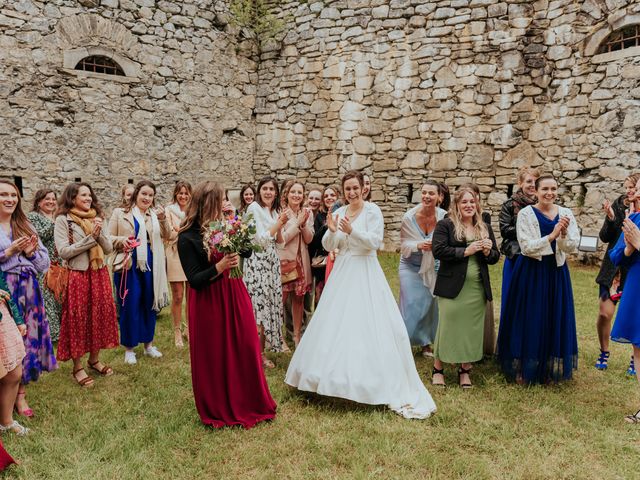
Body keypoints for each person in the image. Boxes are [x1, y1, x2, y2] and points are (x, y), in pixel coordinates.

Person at [285, 170, 436, 419]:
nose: (352, 192)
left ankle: (368, 381)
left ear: (363, 189)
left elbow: (375, 242)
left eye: (356, 188)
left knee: (365, 322)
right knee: (335, 323)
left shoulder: (372, 211)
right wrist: (333, 231)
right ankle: (328, 379)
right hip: (343, 269)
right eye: (348, 189)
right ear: (344, 191)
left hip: (365, 269)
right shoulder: (339, 212)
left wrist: (352, 231)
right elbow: (328, 246)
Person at [177, 181, 276, 428]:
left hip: (234, 293)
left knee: (246, 344)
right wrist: (219, 267)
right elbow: (195, 280)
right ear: (208, 203)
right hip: (208, 301)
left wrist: (235, 225)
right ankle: (218, 404)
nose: (225, 203)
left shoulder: (225, 225)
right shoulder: (187, 236)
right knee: (216, 353)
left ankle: (250, 399)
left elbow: (248, 253)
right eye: (220, 199)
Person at [497, 174, 580, 385]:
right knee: (530, 317)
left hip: (556, 272)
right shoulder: (526, 213)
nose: (549, 193)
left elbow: (572, 245)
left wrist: (562, 237)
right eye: (545, 189)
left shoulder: (566, 213)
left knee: (553, 316)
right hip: (532, 271)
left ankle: (547, 368)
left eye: (553, 189)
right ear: (537, 190)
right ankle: (524, 368)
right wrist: (551, 236)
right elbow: (526, 246)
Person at [431, 187, 500, 388]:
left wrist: (488, 252)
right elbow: (438, 250)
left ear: (477, 204)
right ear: (457, 205)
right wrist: (466, 251)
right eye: (464, 202)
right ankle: (438, 368)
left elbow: (495, 256)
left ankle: (464, 370)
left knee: (471, 329)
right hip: (451, 286)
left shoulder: (484, 226)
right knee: (447, 325)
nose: (469, 205)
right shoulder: (446, 225)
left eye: (472, 202)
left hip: (477, 287)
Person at [0, 180, 56, 417]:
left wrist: (32, 253)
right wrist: (7, 253)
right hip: (5, 290)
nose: (10, 199)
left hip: (30, 289)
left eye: (13, 195)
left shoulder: (25, 224)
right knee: (7, 344)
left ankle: (20, 397)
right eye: (3, 194)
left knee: (28, 343)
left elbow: (44, 263)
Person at [54, 183, 119, 387]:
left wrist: (98, 232)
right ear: (72, 198)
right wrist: (91, 238)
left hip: (98, 273)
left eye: (90, 195)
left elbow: (107, 249)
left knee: (98, 315)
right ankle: (78, 367)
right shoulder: (63, 220)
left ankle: (94, 360)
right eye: (83, 195)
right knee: (78, 318)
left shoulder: (98, 217)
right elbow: (64, 251)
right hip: (78, 275)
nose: (88, 198)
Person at [108, 180, 170, 365]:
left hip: (152, 261)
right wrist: (122, 240)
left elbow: (167, 236)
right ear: (136, 194)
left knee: (149, 302)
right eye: (144, 194)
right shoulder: (120, 213)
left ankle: (148, 345)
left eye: (150, 195)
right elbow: (108, 237)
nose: (147, 198)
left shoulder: (154, 215)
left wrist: (163, 219)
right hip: (129, 262)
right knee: (130, 303)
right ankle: (129, 348)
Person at [593, 173, 640, 374]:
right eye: (628, 187)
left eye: (634, 187)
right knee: (605, 312)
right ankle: (604, 352)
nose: (630, 191)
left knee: (635, 322)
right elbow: (606, 237)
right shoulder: (621, 206)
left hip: (634, 273)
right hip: (614, 270)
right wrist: (612, 219)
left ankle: (634, 357)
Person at [399, 180, 446, 358]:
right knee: (410, 303)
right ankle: (403, 343)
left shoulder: (444, 217)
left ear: (439, 197)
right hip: (410, 265)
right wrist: (419, 245)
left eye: (431, 193)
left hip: (433, 266)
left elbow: (446, 241)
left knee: (429, 305)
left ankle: (426, 343)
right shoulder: (409, 217)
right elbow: (404, 245)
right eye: (424, 192)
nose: (426, 196)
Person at [244, 177, 287, 366]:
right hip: (257, 262)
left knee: (269, 305)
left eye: (272, 189)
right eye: (265, 188)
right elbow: (258, 240)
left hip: (271, 262)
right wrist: (279, 224)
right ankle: (256, 354)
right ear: (259, 191)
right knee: (258, 308)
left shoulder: (275, 210)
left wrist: (279, 224)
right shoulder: (253, 208)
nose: (268, 192)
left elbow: (280, 241)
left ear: (276, 192)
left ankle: (261, 350)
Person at [609, 185, 640, 423]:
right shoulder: (634, 218)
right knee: (638, 348)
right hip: (636, 285)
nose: (635, 194)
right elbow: (615, 255)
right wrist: (629, 247)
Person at [499, 166, 541, 322]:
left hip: (537, 255)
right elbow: (505, 230)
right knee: (513, 297)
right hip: (516, 255)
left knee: (533, 300)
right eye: (529, 181)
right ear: (520, 183)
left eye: (536, 182)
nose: (532, 185)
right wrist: (526, 228)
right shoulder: (509, 205)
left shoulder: (543, 204)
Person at [278, 181, 313, 347]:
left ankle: (297, 336)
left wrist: (304, 225)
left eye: (299, 192)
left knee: (299, 300)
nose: (296, 195)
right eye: (293, 192)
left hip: (301, 262)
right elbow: (283, 239)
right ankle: (279, 337)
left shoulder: (308, 212)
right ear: (287, 194)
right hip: (286, 263)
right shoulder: (281, 212)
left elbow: (309, 239)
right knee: (281, 301)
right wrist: (296, 223)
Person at [27, 189, 63, 343]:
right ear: (39, 201)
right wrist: (56, 224)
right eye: (47, 199)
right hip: (43, 264)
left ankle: (63, 332)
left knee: (59, 298)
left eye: (53, 199)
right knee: (47, 300)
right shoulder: (33, 217)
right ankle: (53, 334)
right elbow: (37, 235)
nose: (51, 202)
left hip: (60, 263)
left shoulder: (58, 216)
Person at [165, 180, 192, 348]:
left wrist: (179, 228)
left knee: (191, 296)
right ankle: (176, 330)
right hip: (174, 253)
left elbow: (196, 230)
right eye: (180, 193)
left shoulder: (193, 209)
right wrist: (184, 229)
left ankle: (188, 329)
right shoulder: (169, 210)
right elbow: (169, 234)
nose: (183, 196)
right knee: (178, 295)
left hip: (191, 255)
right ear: (175, 194)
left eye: (186, 193)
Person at [0, 273, 28, 435]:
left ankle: (6, 422)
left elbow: (2, 283)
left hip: (3, 312)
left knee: (14, 373)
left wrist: (17, 319)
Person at [308, 185, 340, 304]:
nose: (329, 198)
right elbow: (314, 241)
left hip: (339, 259)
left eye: (332, 195)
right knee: (321, 295)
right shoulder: (319, 216)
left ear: (338, 197)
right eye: (326, 196)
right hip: (323, 262)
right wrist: (325, 226)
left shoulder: (343, 213)